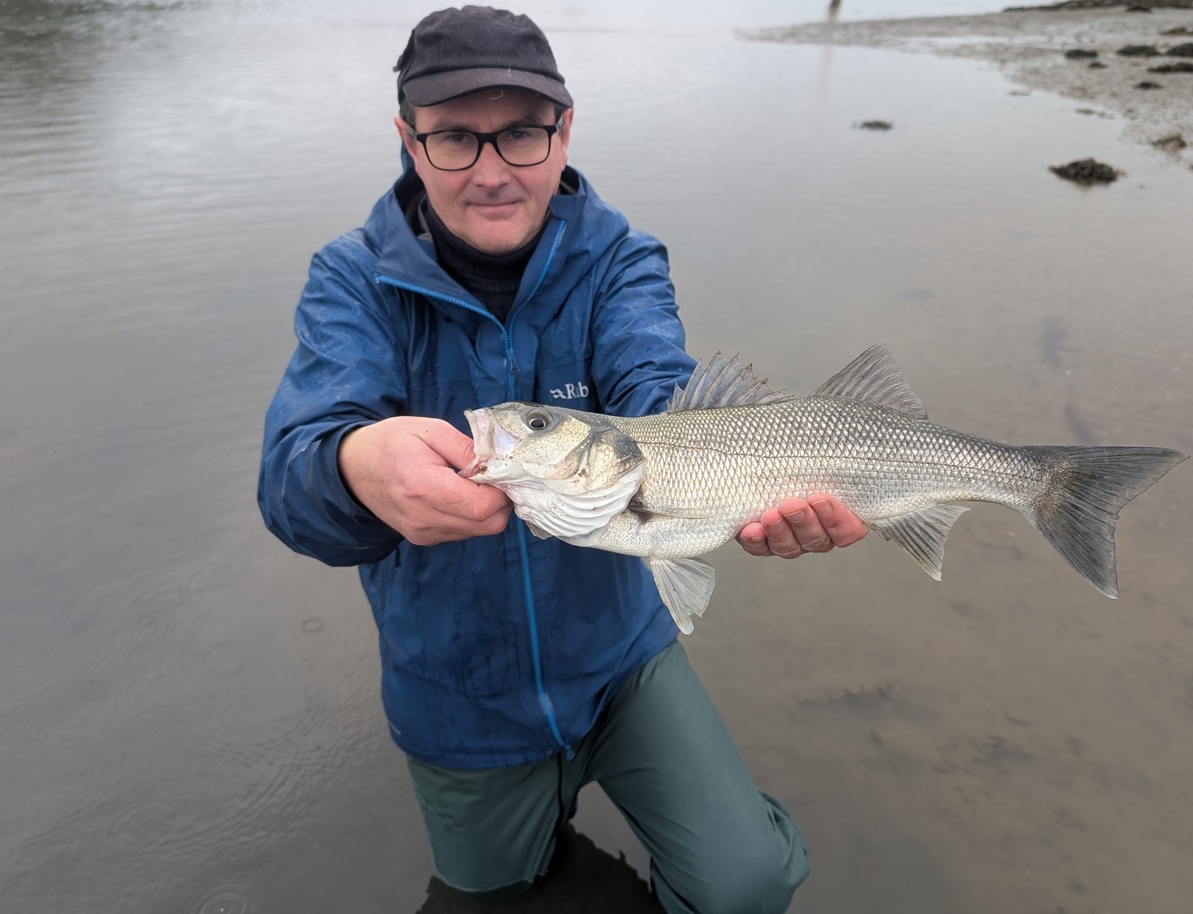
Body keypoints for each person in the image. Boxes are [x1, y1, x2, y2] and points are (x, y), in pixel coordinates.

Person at [258, 7, 867, 912]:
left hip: (623, 660)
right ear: (409, 141)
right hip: (456, 699)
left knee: (747, 885)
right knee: (494, 898)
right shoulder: (351, 282)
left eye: (521, 133)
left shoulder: (620, 259)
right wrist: (353, 466)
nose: (493, 171)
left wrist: (737, 470)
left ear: (565, 132)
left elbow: (655, 383)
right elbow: (290, 478)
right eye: (455, 137)